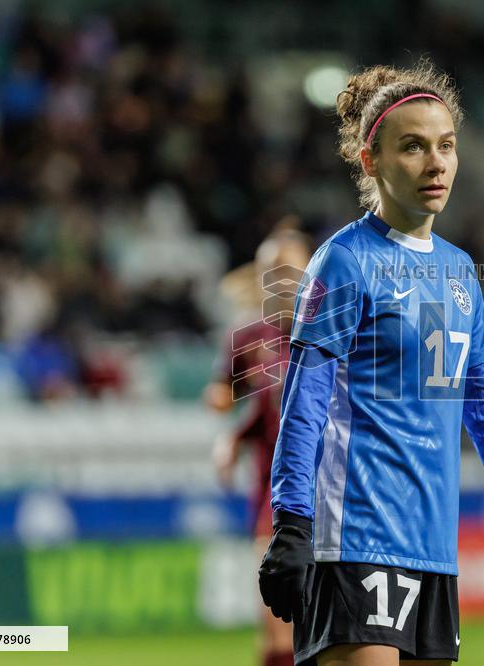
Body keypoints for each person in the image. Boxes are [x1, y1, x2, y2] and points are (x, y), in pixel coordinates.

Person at [258, 59, 484, 666]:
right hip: (354, 538)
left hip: (432, 547)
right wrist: (292, 523)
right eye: (413, 147)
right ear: (371, 161)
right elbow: (304, 402)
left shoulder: (459, 272)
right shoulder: (344, 262)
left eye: (446, 146)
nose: (436, 163)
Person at [207, 224, 311, 666]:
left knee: (326, 629)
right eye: (270, 269)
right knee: (275, 626)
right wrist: (231, 434)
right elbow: (229, 398)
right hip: (274, 492)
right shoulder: (248, 339)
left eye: (287, 267)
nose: (279, 276)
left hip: (336, 494)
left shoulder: (336, 332)